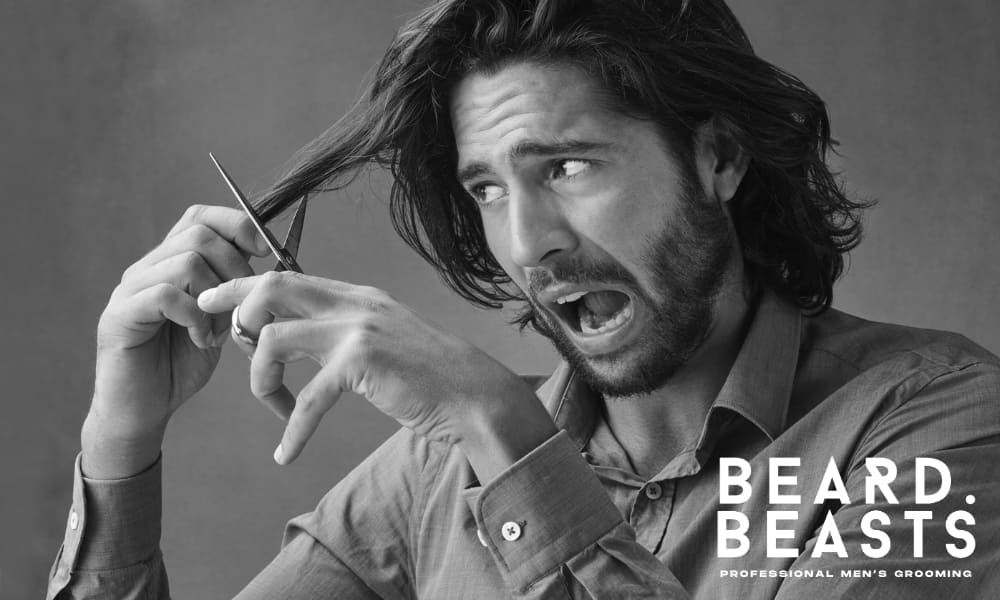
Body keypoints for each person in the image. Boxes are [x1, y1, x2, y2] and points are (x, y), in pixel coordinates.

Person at [47, 0, 1000, 598]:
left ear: (718, 157)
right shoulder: (430, 471)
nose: (526, 241)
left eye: (569, 165)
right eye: (488, 188)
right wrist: (120, 445)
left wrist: (503, 430)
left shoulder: (933, 428)